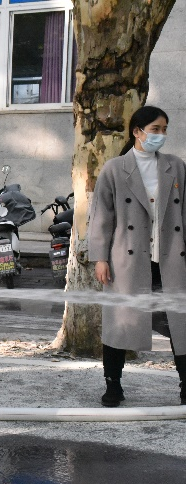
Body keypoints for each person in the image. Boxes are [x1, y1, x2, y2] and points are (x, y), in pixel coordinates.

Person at [89, 105, 186, 407]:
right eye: (155, 129)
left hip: (171, 256)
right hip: (128, 260)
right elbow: (101, 217)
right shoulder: (115, 168)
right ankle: (113, 385)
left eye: (164, 129)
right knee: (120, 322)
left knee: (180, 322)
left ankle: (185, 385)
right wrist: (100, 258)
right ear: (137, 132)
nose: (161, 135)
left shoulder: (176, 166)